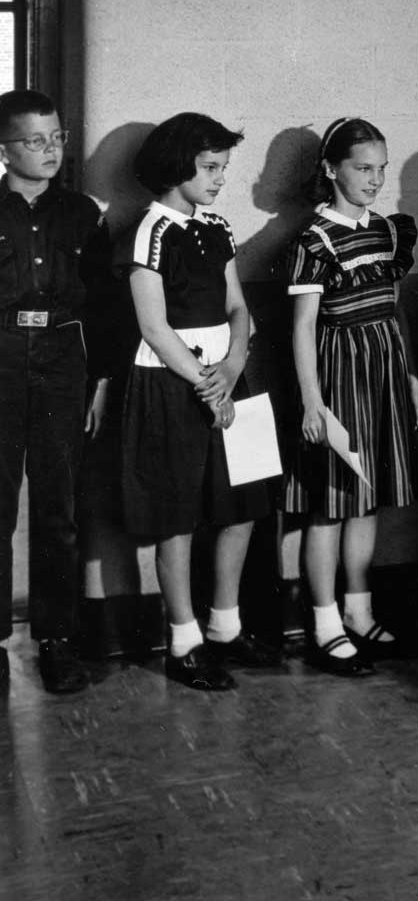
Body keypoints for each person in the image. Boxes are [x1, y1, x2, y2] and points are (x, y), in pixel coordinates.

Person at [115, 112, 283, 691]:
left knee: (245, 507)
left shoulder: (218, 225)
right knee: (177, 517)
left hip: (232, 377)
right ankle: (183, 641)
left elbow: (239, 307)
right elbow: (154, 327)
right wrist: (205, 384)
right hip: (171, 384)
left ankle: (225, 628)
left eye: (223, 168)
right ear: (176, 165)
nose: (218, 179)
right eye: (210, 168)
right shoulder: (150, 230)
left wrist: (233, 366)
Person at [283, 117, 418, 677]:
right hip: (336, 375)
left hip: (385, 373)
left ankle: (359, 611)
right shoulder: (314, 239)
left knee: (366, 500)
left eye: (381, 169)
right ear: (331, 169)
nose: (374, 180)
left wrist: (412, 376)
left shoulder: (389, 231)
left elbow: (395, 310)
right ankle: (324, 625)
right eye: (362, 168)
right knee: (330, 504)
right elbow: (303, 327)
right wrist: (312, 402)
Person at [0, 89, 110, 694]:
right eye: (35, 141)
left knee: (57, 508)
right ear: (5, 148)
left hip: (65, 362)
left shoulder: (83, 215)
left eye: (58, 138)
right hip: (2, 356)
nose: (50, 151)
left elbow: (106, 306)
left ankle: (57, 641)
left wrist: (98, 383)